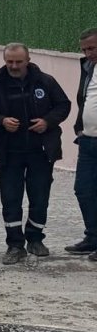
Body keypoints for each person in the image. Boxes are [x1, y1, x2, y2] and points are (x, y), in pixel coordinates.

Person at [0, 43, 71, 264]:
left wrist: (47, 122)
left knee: (40, 197)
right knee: (10, 198)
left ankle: (36, 239)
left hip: (41, 150)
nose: (14, 66)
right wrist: (1, 121)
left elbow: (63, 105)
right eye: (9, 61)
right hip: (9, 152)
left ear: (28, 60)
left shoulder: (45, 82)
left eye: (18, 62)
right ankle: (15, 245)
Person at [66, 28, 97, 259]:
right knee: (83, 190)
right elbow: (84, 98)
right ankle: (93, 237)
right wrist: (79, 126)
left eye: (92, 48)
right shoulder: (87, 67)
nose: (88, 53)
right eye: (84, 49)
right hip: (87, 140)